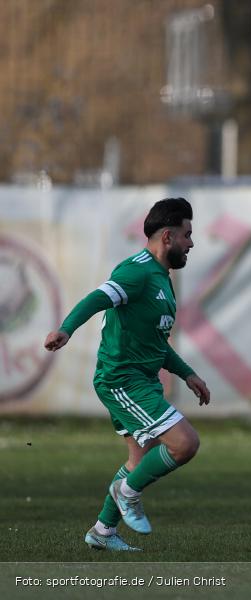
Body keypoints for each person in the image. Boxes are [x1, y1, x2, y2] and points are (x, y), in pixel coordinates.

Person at [44, 197, 211, 551]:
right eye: (187, 235)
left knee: (139, 459)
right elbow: (96, 298)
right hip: (122, 380)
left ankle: (102, 532)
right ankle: (127, 492)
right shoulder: (135, 271)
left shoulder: (162, 280)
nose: (191, 243)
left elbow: (155, 344)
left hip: (141, 378)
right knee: (185, 443)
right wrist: (66, 328)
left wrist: (187, 373)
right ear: (168, 236)